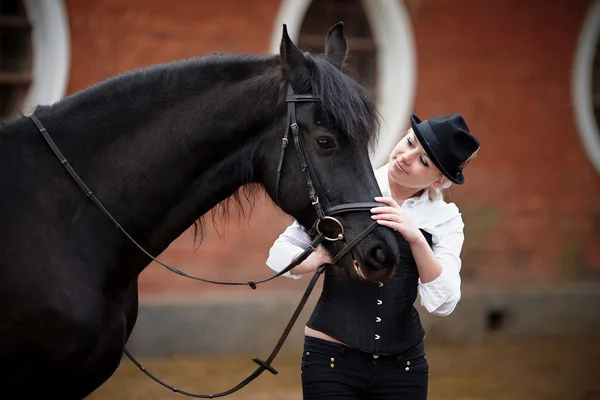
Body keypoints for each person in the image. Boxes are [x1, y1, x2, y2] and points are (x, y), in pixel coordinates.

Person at [266, 113, 480, 399]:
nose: (406, 157)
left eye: (424, 161)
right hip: (331, 360)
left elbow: (443, 302)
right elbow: (280, 256)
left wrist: (415, 238)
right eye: (410, 142)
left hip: (404, 368)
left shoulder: (445, 219)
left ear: (440, 181)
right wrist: (321, 255)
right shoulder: (345, 190)